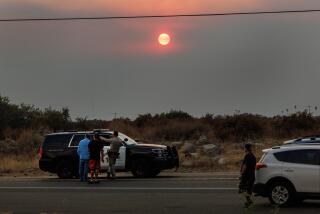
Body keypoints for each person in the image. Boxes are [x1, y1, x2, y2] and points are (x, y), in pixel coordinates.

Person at [239, 143, 257, 208]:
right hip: (252, 175)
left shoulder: (247, 156)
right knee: (248, 189)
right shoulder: (253, 156)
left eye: (244, 148)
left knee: (242, 188)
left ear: (246, 148)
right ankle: (249, 201)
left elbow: (245, 166)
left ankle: (249, 202)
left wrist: (241, 174)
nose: (244, 149)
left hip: (247, 176)